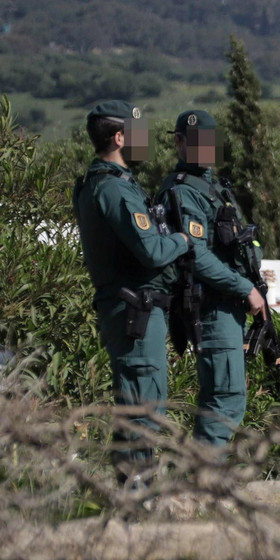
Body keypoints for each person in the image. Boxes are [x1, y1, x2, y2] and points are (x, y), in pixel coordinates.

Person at [71, 100, 191, 482]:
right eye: (138, 135)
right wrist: (183, 239)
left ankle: (130, 497)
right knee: (144, 411)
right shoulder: (114, 190)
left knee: (136, 410)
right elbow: (152, 250)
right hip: (135, 313)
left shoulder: (104, 184)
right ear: (120, 137)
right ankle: (137, 500)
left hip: (130, 310)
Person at [155, 109, 267, 447]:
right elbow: (194, 254)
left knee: (224, 399)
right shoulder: (184, 191)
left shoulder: (214, 188)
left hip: (227, 305)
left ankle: (199, 487)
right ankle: (200, 486)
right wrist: (244, 287)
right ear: (179, 143)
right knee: (225, 400)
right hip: (213, 305)